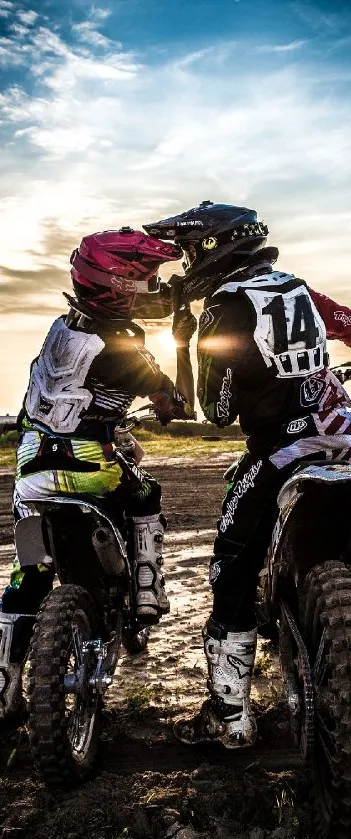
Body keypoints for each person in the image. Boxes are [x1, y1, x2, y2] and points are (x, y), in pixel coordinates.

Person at [144, 201, 351, 749]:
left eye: (188, 251)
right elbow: (350, 324)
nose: (185, 264)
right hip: (349, 446)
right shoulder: (298, 288)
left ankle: (231, 715)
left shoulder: (225, 307)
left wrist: (187, 345)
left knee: (231, 568)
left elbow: (216, 410)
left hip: (281, 453)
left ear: (213, 248)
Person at [0, 226, 194, 719]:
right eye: (144, 278)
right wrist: (182, 346)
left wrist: (177, 296)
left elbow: (145, 306)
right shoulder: (125, 349)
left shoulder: (63, 329)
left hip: (32, 466)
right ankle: (148, 589)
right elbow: (177, 405)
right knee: (146, 493)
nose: (151, 286)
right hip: (89, 465)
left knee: (30, 573)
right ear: (119, 284)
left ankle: (5, 685)